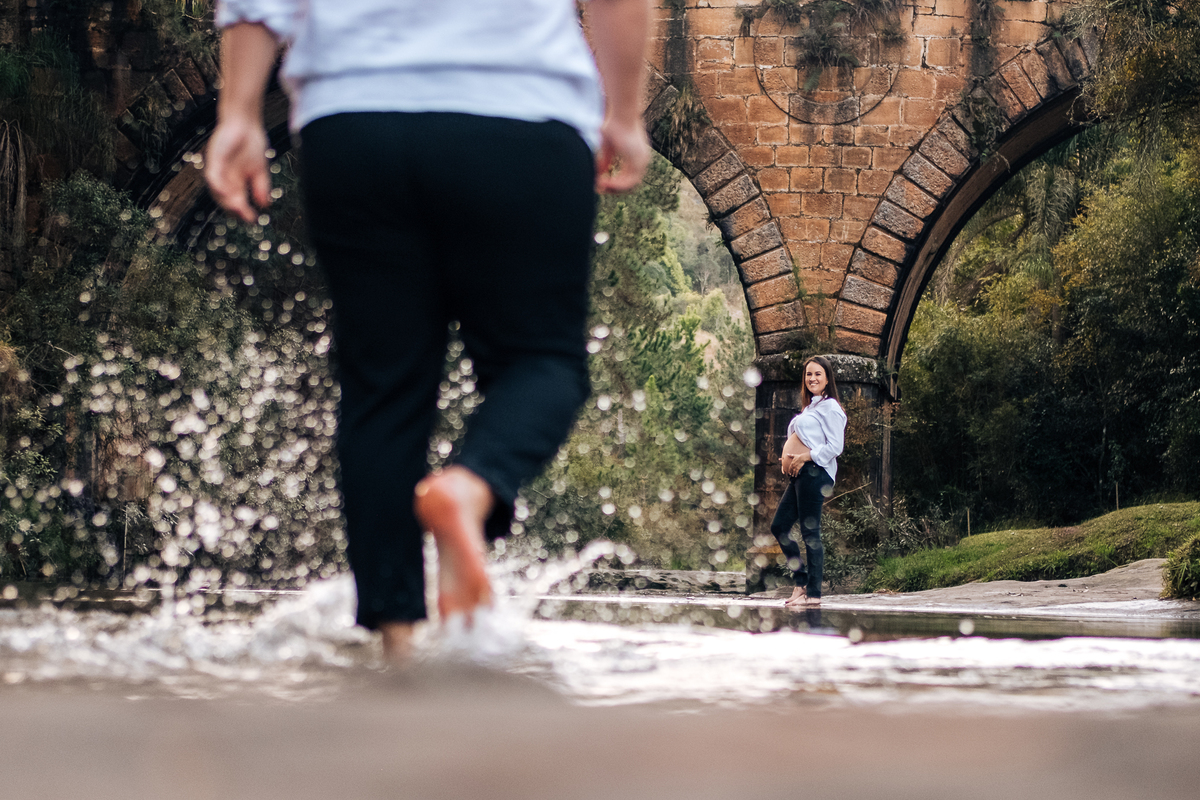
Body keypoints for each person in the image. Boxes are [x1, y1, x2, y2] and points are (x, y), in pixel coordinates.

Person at [205, 0, 652, 661]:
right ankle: (470, 485)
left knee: (381, 388)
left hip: (353, 120)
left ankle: (396, 646)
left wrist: (239, 112)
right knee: (541, 360)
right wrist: (625, 114)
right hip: (521, 113)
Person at [770, 356, 847, 608]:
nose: (812, 378)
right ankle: (801, 582)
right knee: (779, 526)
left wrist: (804, 456)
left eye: (817, 374)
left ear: (827, 378)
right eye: (808, 374)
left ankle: (813, 594)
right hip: (800, 474)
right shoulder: (810, 408)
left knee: (810, 532)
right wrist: (789, 458)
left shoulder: (831, 407)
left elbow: (835, 446)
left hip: (815, 472)